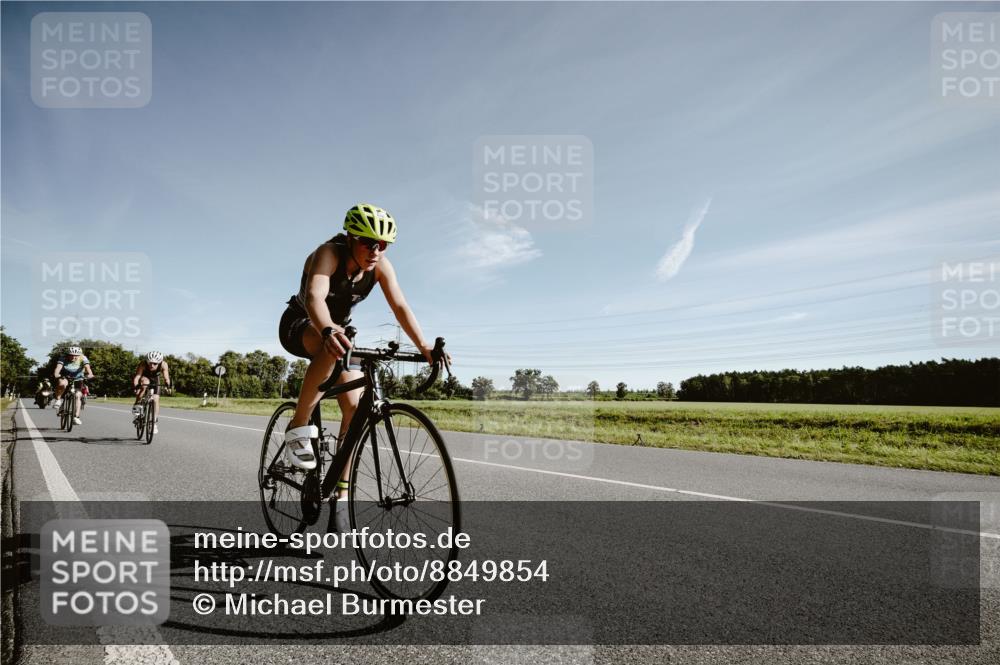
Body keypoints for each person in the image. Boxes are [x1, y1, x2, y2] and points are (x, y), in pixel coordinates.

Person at [278, 203, 446, 525]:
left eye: (383, 245)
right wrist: (327, 329)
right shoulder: (328, 253)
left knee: (354, 409)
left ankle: (341, 494)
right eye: (369, 243)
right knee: (333, 344)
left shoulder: (381, 266)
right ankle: (297, 427)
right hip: (302, 323)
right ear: (351, 237)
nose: (375, 251)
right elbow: (315, 297)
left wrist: (423, 345)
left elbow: (399, 305)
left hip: (337, 334)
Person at [132, 351, 171, 435]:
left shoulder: (164, 364)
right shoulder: (142, 364)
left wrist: (168, 385)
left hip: (155, 378)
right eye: (150, 363)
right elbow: (137, 377)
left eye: (154, 363)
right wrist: (136, 386)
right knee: (144, 386)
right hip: (145, 377)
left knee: (156, 399)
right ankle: (137, 410)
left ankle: (153, 423)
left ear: (159, 362)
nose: (152, 365)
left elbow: (166, 377)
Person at [53, 346, 93, 425]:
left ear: (79, 355)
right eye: (71, 355)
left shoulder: (83, 358)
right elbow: (58, 368)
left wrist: (90, 374)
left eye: (76, 355)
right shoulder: (63, 358)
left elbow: (88, 369)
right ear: (67, 355)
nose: (73, 357)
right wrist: (56, 374)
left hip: (78, 378)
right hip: (65, 377)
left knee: (78, 395)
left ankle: (76, 417)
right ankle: (58, 400)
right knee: (62, 384)